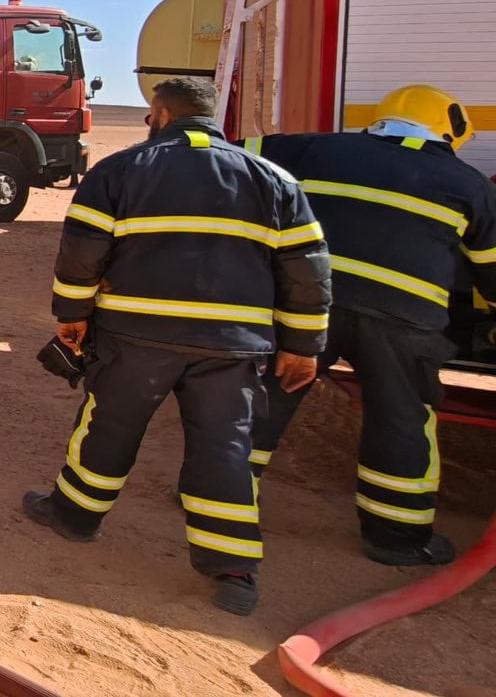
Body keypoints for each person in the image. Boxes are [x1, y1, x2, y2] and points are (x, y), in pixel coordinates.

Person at [23, 76, 331, 617]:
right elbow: (307, 271)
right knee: (226, 447)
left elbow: (81, 254)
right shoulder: (275, 179)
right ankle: (233, 569)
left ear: (162, 115)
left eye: (149, 116)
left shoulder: (120, 170)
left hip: (136, 337)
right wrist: (302, 345)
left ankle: (74, 517)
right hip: (234, 346)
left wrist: (71, 317)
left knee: (109, 426)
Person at [243, 85, 496, 566]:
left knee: (265, 397)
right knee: (400, 416)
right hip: (403, 322)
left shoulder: (313, 148)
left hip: (308, 306)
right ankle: (397, 537)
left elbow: (231, 152)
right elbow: (491, 267)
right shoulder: (468, 184)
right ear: (449, 130)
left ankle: (219, 496)